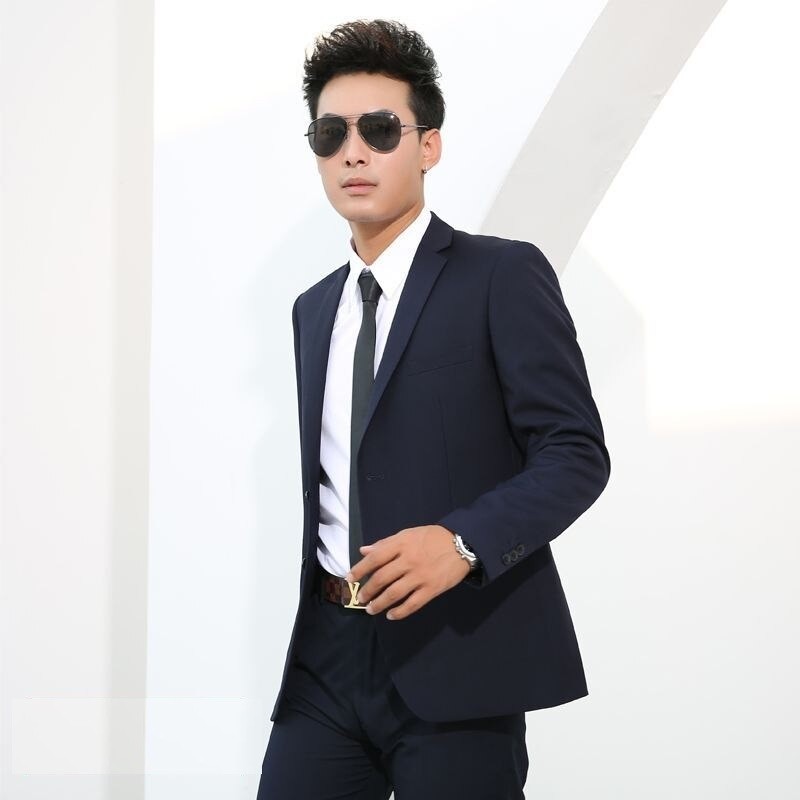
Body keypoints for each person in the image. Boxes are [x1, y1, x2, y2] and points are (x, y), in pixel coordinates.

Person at [257, 19, 610, 800]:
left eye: (381, 130)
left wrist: (462, 542)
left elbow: (575, 452)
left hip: (457, 649)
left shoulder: (500, 275)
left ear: (429, 146)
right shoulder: (313, 310)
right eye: (331, 133)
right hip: (325, 658)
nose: (354, 152)